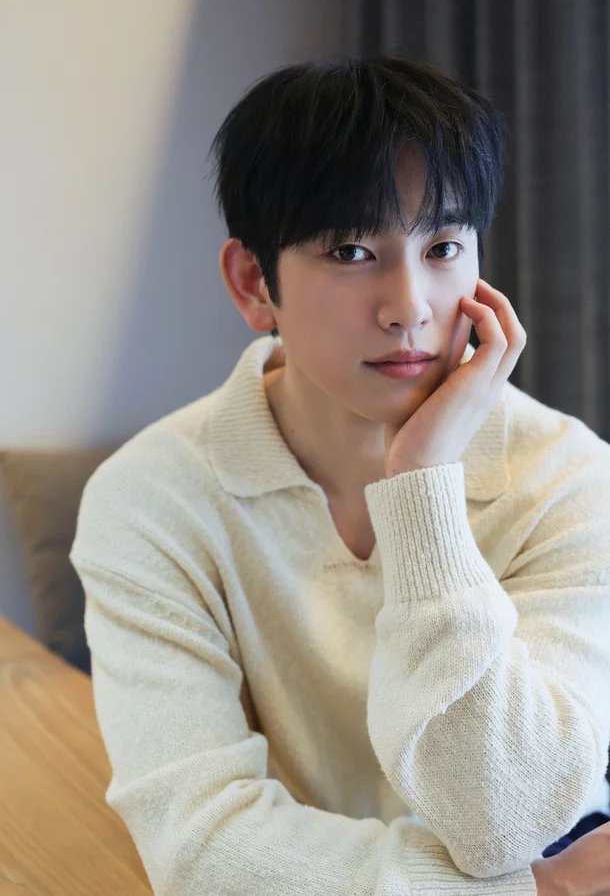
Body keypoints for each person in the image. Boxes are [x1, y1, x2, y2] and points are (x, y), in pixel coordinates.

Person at [69, 54, 610, 896]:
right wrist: (529, 891)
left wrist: (422, 486)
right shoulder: (150, 500)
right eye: (354, 249)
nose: (410, 306)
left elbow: (513, 816)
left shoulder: (567, 475)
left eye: (442, 246)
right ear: (256, 282)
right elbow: (203, 846)